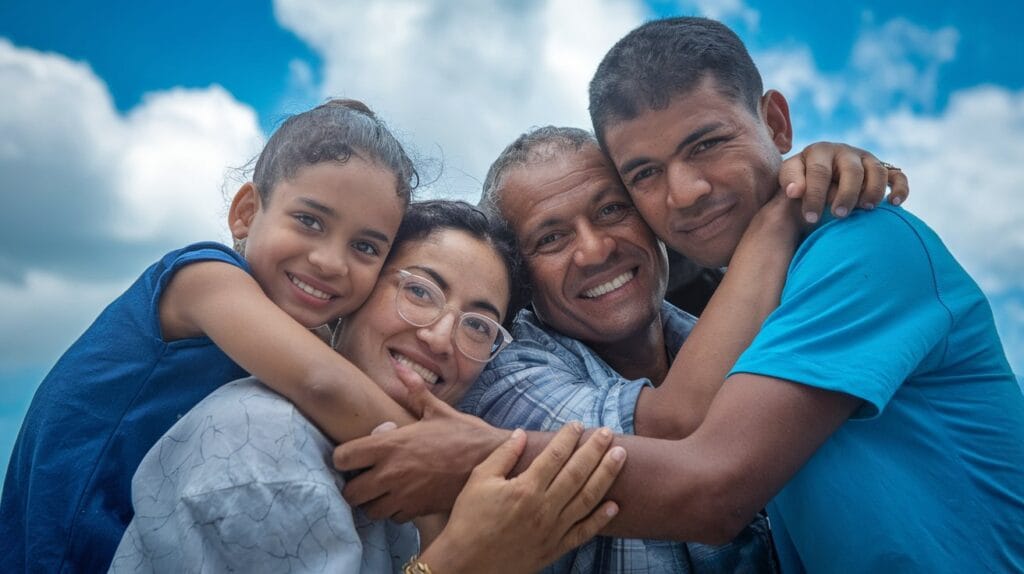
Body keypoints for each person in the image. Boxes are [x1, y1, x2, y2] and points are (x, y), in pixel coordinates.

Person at [333, 138, 907, 571]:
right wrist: (777, 215)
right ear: (523, 282)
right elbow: (678, 431)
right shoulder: (500, 367)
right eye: (551, 238)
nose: (596, 248)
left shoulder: (713, 331)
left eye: (611, 211)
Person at [583, 16, 1024, 572]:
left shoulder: (864, 242)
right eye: (645, 174)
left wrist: (460, 462)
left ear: (776, 123)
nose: (685, 193)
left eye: (709, 143)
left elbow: (713, 487)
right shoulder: (743, 304)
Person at [0, 99, 436, 573]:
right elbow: (322, 384)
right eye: (310, 221)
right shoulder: (202, 278)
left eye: (365, 247)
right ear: (246, 212)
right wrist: (456, 458)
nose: (330, 261)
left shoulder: (292, 331)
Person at [109, 201, 627, 574]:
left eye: (478, 325)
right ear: (353, 294)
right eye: (420, 291)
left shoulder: (405, 474)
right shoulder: (262, 439)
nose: (442, 337)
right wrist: (466, 562)